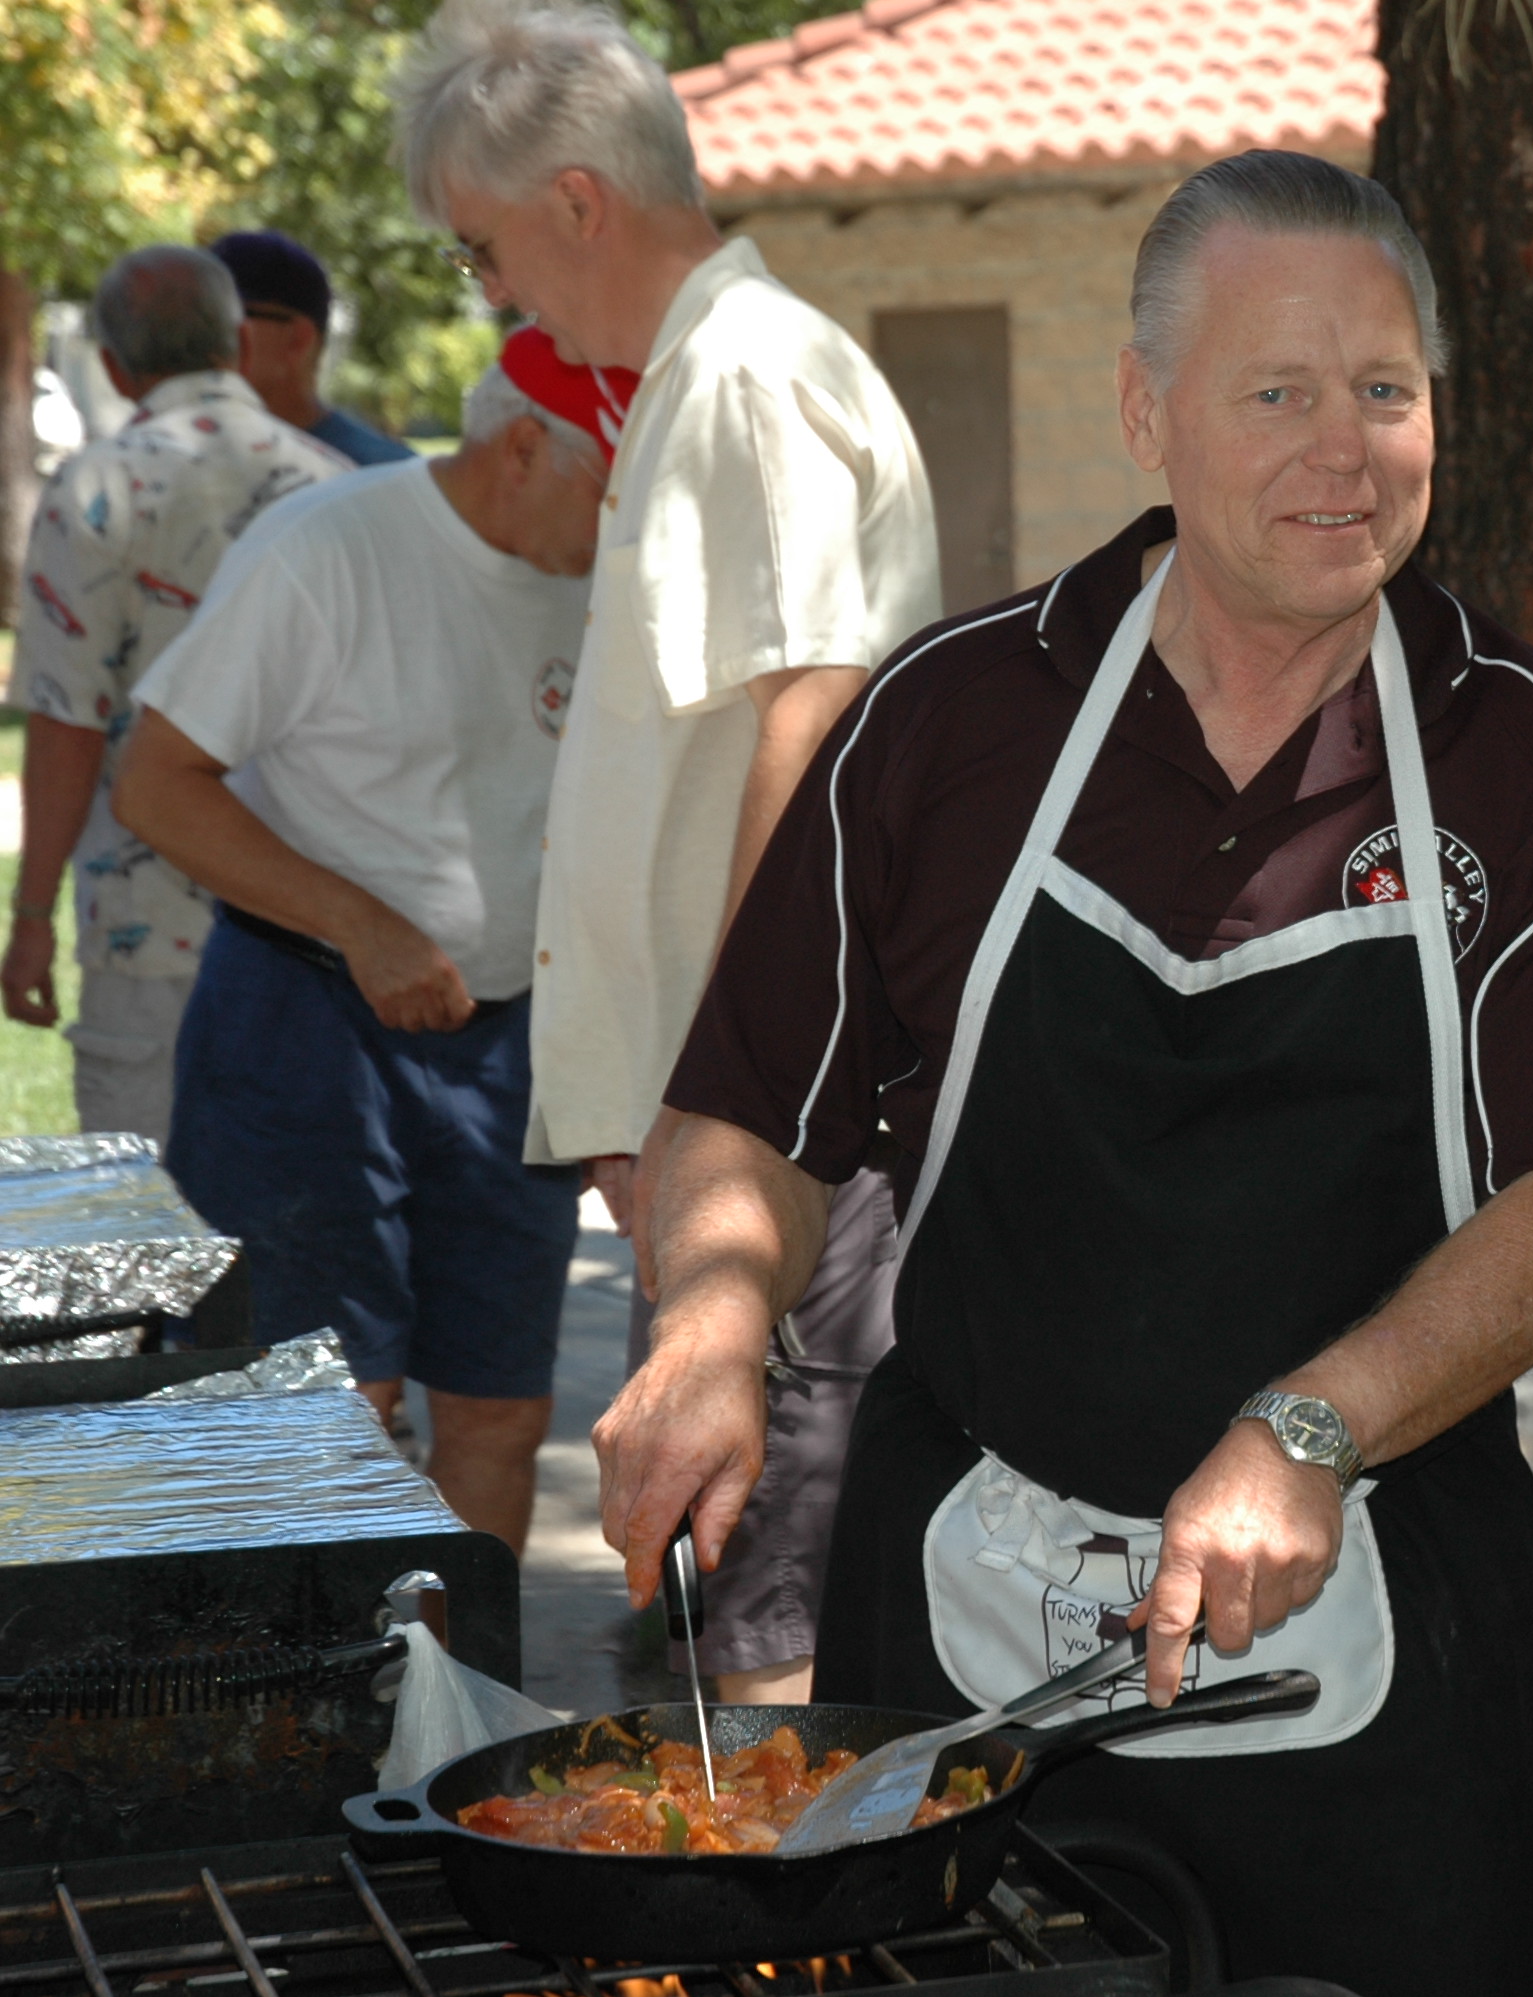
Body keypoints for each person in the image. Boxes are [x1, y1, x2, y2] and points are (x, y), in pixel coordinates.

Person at [594, 149, 1533, 1995]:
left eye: (1385, 391)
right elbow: (750, 1107)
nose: (1344, 449)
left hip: (1380, 1631)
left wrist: (1308, 1426)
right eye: (1277, 392)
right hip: (958, 1629)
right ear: (1144, 412)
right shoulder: (950, 723)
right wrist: (706, 1330)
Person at [391, 0, 936, 1701]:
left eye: (483, 249)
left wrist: (728, 1085)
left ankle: (775, 1944)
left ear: (572, 200)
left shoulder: (743, 370)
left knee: (761, 1620)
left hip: (760, 1145)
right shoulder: (707, 370)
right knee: (730, 1600)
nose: (494, 295)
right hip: (726, 1137)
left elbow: (813, 708)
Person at [112, 329, 630, 1554]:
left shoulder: (600, 575)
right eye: (613, 488)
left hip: (510, 1048)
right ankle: (324, 1732)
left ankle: (466, 1718)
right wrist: (358, 923)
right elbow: (157, 783)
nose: (628, 522)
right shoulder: (329, 546)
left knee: (502, 1412)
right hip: (304, 1030)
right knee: (328, 1415)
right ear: (520, 449)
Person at [6, 247, 353, 1139]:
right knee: (299, 1241)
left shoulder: (94, 489)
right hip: (314, 922)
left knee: (155, 1247)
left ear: (115, 368)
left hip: (146, 936)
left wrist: (33, 916)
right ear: (238, 341)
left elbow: (65, 726)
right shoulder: (341, 488)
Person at [208, 230, 419, 467]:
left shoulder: (378, 474)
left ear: (298, 339)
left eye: (223, 316)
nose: (202, 333)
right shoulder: (178, 459)